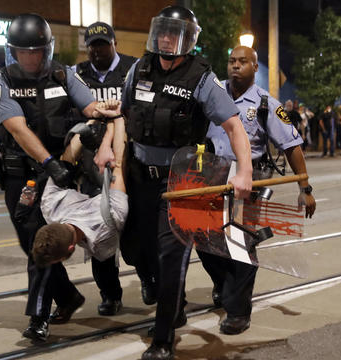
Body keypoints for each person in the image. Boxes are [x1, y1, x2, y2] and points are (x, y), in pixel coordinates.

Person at [95, 6, 252, 359]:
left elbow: (234, 127)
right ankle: (174, 307)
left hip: (184, 180)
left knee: (171, 256)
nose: (166, 39)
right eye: (162, 31)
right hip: (140, 176)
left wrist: (245, 172)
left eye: (174, 33)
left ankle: (163, 339)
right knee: (138, 249)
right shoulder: (140, 67)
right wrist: (106, 145)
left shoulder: (201, 78)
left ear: (188, 39)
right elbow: (123, 113)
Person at [0, 13, 106, 342]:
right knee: (32, 244)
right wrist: (48, 161)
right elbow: (17, 127)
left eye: (36, 51)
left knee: (41, 243)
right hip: (21, 176)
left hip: (59, 177)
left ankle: (38, 317)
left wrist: (104, 114)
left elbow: (91, 108)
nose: (29, 57)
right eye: (22, 51)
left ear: (47, 49)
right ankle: (68, 296)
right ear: (13, 51)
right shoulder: (3, 81)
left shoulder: (63, 75)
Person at [204, 45, 316, 337]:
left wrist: (305, 188)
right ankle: (225, 284)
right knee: (202, 240)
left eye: (243, 62)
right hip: (213, 180)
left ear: (255, 67)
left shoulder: (267, 103)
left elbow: (293, 147)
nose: (235, 66)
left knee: (239, 244)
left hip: (248, 183)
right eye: (231, 61)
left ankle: (239, 312)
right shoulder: (213, 95)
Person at [72, 21, 138, 315]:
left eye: (103, 44)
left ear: (114, 44)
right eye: (93, 46)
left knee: (137, 228)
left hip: (130, 159)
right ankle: (110, 294)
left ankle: (148, 276)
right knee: (97, 233)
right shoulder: (77, 74)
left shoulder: (133, 68)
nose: (98, 51)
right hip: (91, 163)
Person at [33, 100, 128, 276]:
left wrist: (112, 118)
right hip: (106, 181)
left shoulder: (105, 229)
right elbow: (68, 158)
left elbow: (119, 167)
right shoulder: (49, 207)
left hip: (116, 188)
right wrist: (105, 119)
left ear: (71, 248)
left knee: (132, 253)